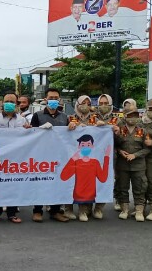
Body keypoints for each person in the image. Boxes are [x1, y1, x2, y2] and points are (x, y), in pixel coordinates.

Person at [30, 88, 76, 223]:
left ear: (59, 99)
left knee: (57, 183)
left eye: (56, 98)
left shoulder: (64, 116)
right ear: (45, 99)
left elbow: (70, 135)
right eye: (51, 98)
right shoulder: (37, 115)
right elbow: (31, 135)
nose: (53, 100)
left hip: (59, 156)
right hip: (41, 155)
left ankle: (55, 211)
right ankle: (37, 211)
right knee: (40, 182)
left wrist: (73, 125)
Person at [0, 92, 30, 223]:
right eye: (7, 101)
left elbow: (28, 137)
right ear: (2, 103)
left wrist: (29, 130)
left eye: (12, 102)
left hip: (15, 159)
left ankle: (12, 213)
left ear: (17, 104)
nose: (9, 104)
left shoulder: (22, 120)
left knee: (14, 184)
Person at [59, 135, 111, 222]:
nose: (85, 147)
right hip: (78, 194)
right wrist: (72, 159)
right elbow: (64, 176)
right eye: (83, 145)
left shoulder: (95, 162)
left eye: (88, 145)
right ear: (79, 146)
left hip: (91, 194)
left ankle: (88, 210)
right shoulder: (76, 162)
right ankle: (79, 211)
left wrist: (106, 157)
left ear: (92, 146)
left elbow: (103, 178)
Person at [114, 105, 149, 221]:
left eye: (135, 115)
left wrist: (135, 155)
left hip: (138, 165)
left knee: (139, 188)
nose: (132, 118)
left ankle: (139, 211)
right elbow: (115, 144)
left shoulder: (143, 130)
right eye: (130, 115)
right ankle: (125, 209)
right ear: (125, 116)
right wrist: (120, 151)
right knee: (122, 187)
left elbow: (147, 148)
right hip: (122, 165)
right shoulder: (120, 130)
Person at [64, 95, 96, 220]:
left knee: (85, 182)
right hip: (72, 154)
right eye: (83, 102)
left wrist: (102, 125)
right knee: (70, 181)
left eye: (88, 103)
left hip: (87, 156)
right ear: (77, 104)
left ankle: (84, 210)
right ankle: (68, 209)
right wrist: (68, 126)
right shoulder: (69, 117)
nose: (86, 105)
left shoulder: (94, 118)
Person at [93, 94, 118, 217]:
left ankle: (99, 207)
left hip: (109, 155)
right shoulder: (92, 117)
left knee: (105, 180)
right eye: (101, 103)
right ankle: (87, 206)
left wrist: (117, 131)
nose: (103, 106)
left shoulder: (117, 119)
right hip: (93, 155)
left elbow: (124, 139)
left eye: (106, 103)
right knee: (90, 180)